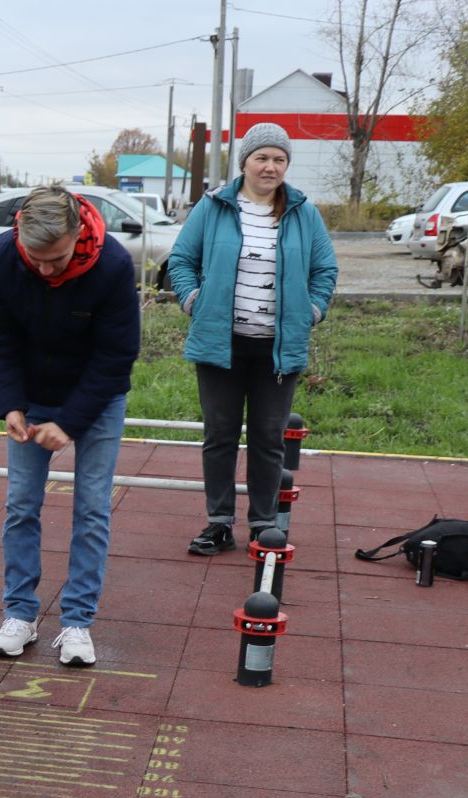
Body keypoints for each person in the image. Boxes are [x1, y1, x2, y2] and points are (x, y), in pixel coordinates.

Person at [0, 186, 142, 667]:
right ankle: (20, 614)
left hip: (97, 397)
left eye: (56, 258)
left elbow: (116, 356)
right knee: (20, 505)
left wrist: (70, 423)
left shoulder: (112, 265)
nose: (46, 270)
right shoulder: (3, 256)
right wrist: (10, 404)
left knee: (92, 508)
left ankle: (77, 623)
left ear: (78, 234)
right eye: (37, 258)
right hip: (31, 395)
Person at [167, 122, 337, 556]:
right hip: (220, 343)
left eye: (279, 159)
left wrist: (312, 310)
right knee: (220, 434)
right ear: (244, 162)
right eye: (262, 157)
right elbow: (182, 260)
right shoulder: (214, 207)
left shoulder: (303, 212)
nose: (270, 166)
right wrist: (193, 300)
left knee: (267, 436)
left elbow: (325, 271)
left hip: (277, 348)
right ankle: (218, 523)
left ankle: (263, 524)